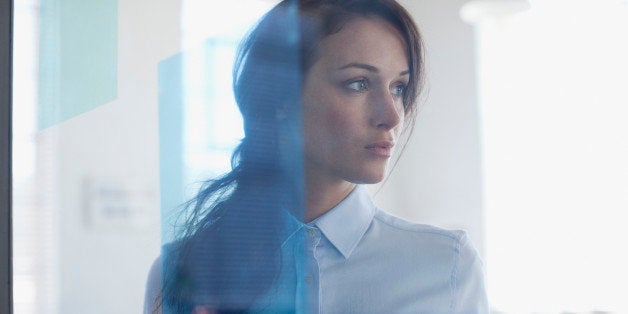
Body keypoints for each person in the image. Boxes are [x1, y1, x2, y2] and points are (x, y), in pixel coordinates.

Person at [144, 0, 489, 313]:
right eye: (358, 84)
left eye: (398, 88)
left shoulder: (447, 266)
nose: (393, 115)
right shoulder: (181, 269)